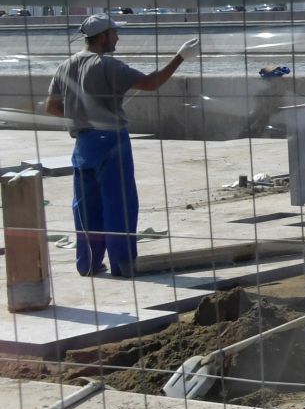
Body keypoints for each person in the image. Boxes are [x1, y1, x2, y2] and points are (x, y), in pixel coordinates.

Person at [43, 14, 198, 278]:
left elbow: (52, 108)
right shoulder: (107, 65)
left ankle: (88, 264)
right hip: (111, 141)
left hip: (82, 144)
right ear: (103, 36)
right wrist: (180, 57)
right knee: (119, 204)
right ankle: (123, 265)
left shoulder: (65, 66)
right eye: (115, 33)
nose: (118, 37)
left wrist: (83, 117)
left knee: (85, 206)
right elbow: (151, 83)